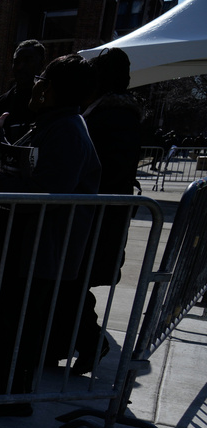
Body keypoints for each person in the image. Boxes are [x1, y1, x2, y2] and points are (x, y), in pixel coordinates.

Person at [0, 53, 101, 417]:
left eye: (44, 80)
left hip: (39, 247)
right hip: (20, 241)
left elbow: (46, 191)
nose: (36, 85)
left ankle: (15, 395)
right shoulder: (50, 123)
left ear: (55, 90)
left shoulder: (68, 130)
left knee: (21, 321)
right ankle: (1, 379)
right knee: (1, 311)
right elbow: (17, 164)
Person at [49, 48, 143, 374]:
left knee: (70, 283)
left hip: (95, 217)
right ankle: (64, 343)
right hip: (101, 215)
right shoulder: (117, 114)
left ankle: (90, 341)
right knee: (71, 282)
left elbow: (102, 168)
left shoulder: (108, 117)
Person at [0, 40, 45, 144]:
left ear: (40, 65)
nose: (20, 67)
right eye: (16, 62)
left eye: (27, 61)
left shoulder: (48, 104)